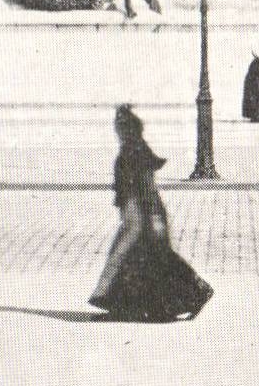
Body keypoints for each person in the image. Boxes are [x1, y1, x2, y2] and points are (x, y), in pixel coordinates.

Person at [89, 106, 213, 322]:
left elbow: (146, 186)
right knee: (141, 259)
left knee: (147, 258)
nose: (117, 131)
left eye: (120, 127)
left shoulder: (133, 152)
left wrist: (152, 218)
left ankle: (197, 291)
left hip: (144, 215)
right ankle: (129, 307)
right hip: (142, 214)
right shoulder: (134, 149)